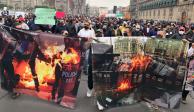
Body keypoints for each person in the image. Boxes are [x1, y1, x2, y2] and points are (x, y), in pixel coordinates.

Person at [78, 21, 95, 98]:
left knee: (86, 60)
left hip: (88, 48)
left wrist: (89, 40)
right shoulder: (81, 31)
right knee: (80, 59)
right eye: (85, 24)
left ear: (89, 25)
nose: (86, 25)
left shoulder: (91, 32)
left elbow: (93, 39)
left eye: (87, 24)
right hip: (81, 47)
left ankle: (85, 69)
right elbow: (77, 37)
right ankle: (80, 69)